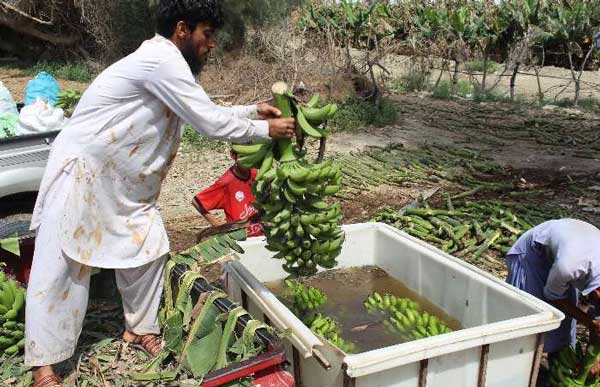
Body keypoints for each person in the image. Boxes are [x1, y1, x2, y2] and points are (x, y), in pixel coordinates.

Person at [24, 1, 296, 386]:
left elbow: (201, 109)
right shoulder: (160, 61)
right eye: (207, 34)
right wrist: (267, 131)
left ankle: (139, 328)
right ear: (182, 30)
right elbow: (208, 121)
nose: (212, 44)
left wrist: (254, 111)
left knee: (148, 247)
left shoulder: (169, 66)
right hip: (85, 175)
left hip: (123, 185)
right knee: (62, 265)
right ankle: (44, 368)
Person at [505, 219, 600, 361]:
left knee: (566, 324)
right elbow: (553, 296)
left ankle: (559, 362)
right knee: (530, 316)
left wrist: (596, 359)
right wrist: (589, 323)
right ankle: (519, 365)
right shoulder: (569, 267)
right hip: (534, 253)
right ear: (596, 293)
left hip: (572, 249)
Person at [193, 148, 263, 237]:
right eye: (243, 157)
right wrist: (218, 226)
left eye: (250, 156)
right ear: (233, 155)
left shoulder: (256, 174)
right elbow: (197, 202)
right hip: (240, 238)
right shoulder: (227, 182)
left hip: (261, 235)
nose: (247, 161)